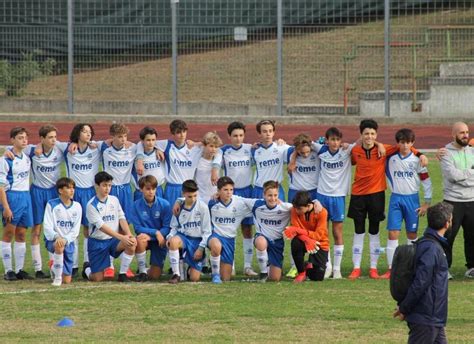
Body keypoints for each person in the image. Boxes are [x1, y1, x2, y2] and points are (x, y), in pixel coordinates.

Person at [348, 119, 426, 280]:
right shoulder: (355, 151)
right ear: (361, 135)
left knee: (374, 230)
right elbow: (350, 159)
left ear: (376, 135)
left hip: (377, 194)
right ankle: (356, 268)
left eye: (372, 134)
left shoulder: (386, 150)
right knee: (358, 231)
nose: (369, 137)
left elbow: (406, 146)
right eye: (366, 134)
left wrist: (421, 154)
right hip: (357, 195)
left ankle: (373, 268)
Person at [393, 202, 451, 344]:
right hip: (426, 318)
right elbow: (421, 281)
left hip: (433, 318)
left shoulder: (431, 245)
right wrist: (404, 308)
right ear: (447, 223)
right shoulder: (431, 248)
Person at [382, 128, 432, 279]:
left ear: (413, 143)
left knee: (412, 233)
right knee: (393, 233)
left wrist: (426, 203)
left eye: (409, 143)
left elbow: (426, 181)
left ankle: (411, 266)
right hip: (396, 199)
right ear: (397, 143)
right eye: (402, 142)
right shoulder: (389, 158)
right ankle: (391, 269)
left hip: (412, 199)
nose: (405, 146)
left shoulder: (418, 160)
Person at [83, 172, 137, 282]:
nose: (107, 188)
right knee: (97, 278)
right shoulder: (91, 205)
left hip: (113, 241)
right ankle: (87, 269)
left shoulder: (114, 200)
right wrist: (121, 237)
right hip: (97, 243)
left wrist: (129, 234)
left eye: (109, 185)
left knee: (132, 242)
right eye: (104, 185)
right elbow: (101, 226)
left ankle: (122, 274)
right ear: (97, 186)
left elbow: (122, 217)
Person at [220, 121, 257, 276]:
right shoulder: (223, 151)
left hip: (248, 192)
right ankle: (231, 265)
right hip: (230, 194)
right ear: (229, 136)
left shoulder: (251, 149)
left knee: (247, 230)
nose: (238, 138)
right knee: (230, 230)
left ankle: (248, 266)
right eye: (235, 136)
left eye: (241, 135)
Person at [439, 122, 474, 279]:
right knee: (448, 236)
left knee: (472, 235)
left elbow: (459, 176)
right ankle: (444, 268)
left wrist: (463, 176)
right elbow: (452, 176)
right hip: (452, 201)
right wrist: (470, 174)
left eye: (466, 132)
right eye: (461, 132)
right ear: (453, 135)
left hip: (472, 200)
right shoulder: (445, 153)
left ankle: (471, 267)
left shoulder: (472, 151)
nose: (465, 135)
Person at [0, 127, 34, 280]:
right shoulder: (5, 160)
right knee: (8, 233)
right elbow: (1, 186)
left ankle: (19, 269)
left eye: (26, 137)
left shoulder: (27, 158)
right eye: (20, 137)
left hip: (26, 196)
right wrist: (6, 207)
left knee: (21, 234)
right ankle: (8, 270)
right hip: (12, 197)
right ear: (12, 140)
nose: (24, 140)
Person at [207, 176, 254, 283]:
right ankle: (215, 274)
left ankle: (217, 266)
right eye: (225, 190)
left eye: (231, 189)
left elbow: (256, 203)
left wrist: (276, 202)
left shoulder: (239, 202)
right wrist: (179, 200)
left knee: (227, 278)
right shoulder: (212, 203)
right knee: (216, 246)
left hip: (230, 240)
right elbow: (195, 202)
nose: (229, 192)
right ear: (218, 191)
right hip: (215, 237)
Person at [166, 180, 211, 284]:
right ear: (183, 194)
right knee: (173, 241)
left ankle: (188, 266)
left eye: (195, 195)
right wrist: (169, 237)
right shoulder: (178, 207)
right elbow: (174, 227)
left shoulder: (203, 207)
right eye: (190, 196)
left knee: (194, 278)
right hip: (183, 238)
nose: (193, 199)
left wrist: (200, 248)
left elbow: (207, 232)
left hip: (197, 241)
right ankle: (176, 274)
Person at [130, 175, 172, 282]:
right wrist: (155, 233)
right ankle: (142, 271)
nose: (151, 192)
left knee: (154, 276)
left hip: (160, 240)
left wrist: (158, 234)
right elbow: (138, 228)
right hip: (147, 238)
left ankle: (149, 270)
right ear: (141, 189)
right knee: (140, 239)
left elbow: (167, 227)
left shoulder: (165, 205)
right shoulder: (135, 205)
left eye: (153, 189)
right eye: (148, 189)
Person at [43, 177, 82, 286]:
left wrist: (66, 239)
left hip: (68, 242)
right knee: (59, 246)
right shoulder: (52, 204)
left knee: (68, 281)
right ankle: (57, 278)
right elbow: (47, 226)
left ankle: (53, 265)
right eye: (69, 188)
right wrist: (57, 237)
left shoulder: (77, 206)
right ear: (60, 190)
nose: (72, 190)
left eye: (73, 188)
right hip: (54, 241)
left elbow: (75, 230)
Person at [283, 191, 329, 283]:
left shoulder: (322, 212)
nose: (296, 211)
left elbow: (318, 235)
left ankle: (306, 265)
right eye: (295, 208)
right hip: (303, 240)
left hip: (319, 243)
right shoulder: (294, 209)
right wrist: (307, 240)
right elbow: (295, 230)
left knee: (317, 277)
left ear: (308, 205)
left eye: (299, 208)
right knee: (295, 242)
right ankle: (301, 272)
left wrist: (297, 230)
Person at [132, 126, 166, 201]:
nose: (151, 143)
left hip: (157, 190)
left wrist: (158, 149)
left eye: (153, 140)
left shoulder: (161, 152)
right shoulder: (134, 152)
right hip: (141, 191)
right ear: (142, 141)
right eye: (148, 140)